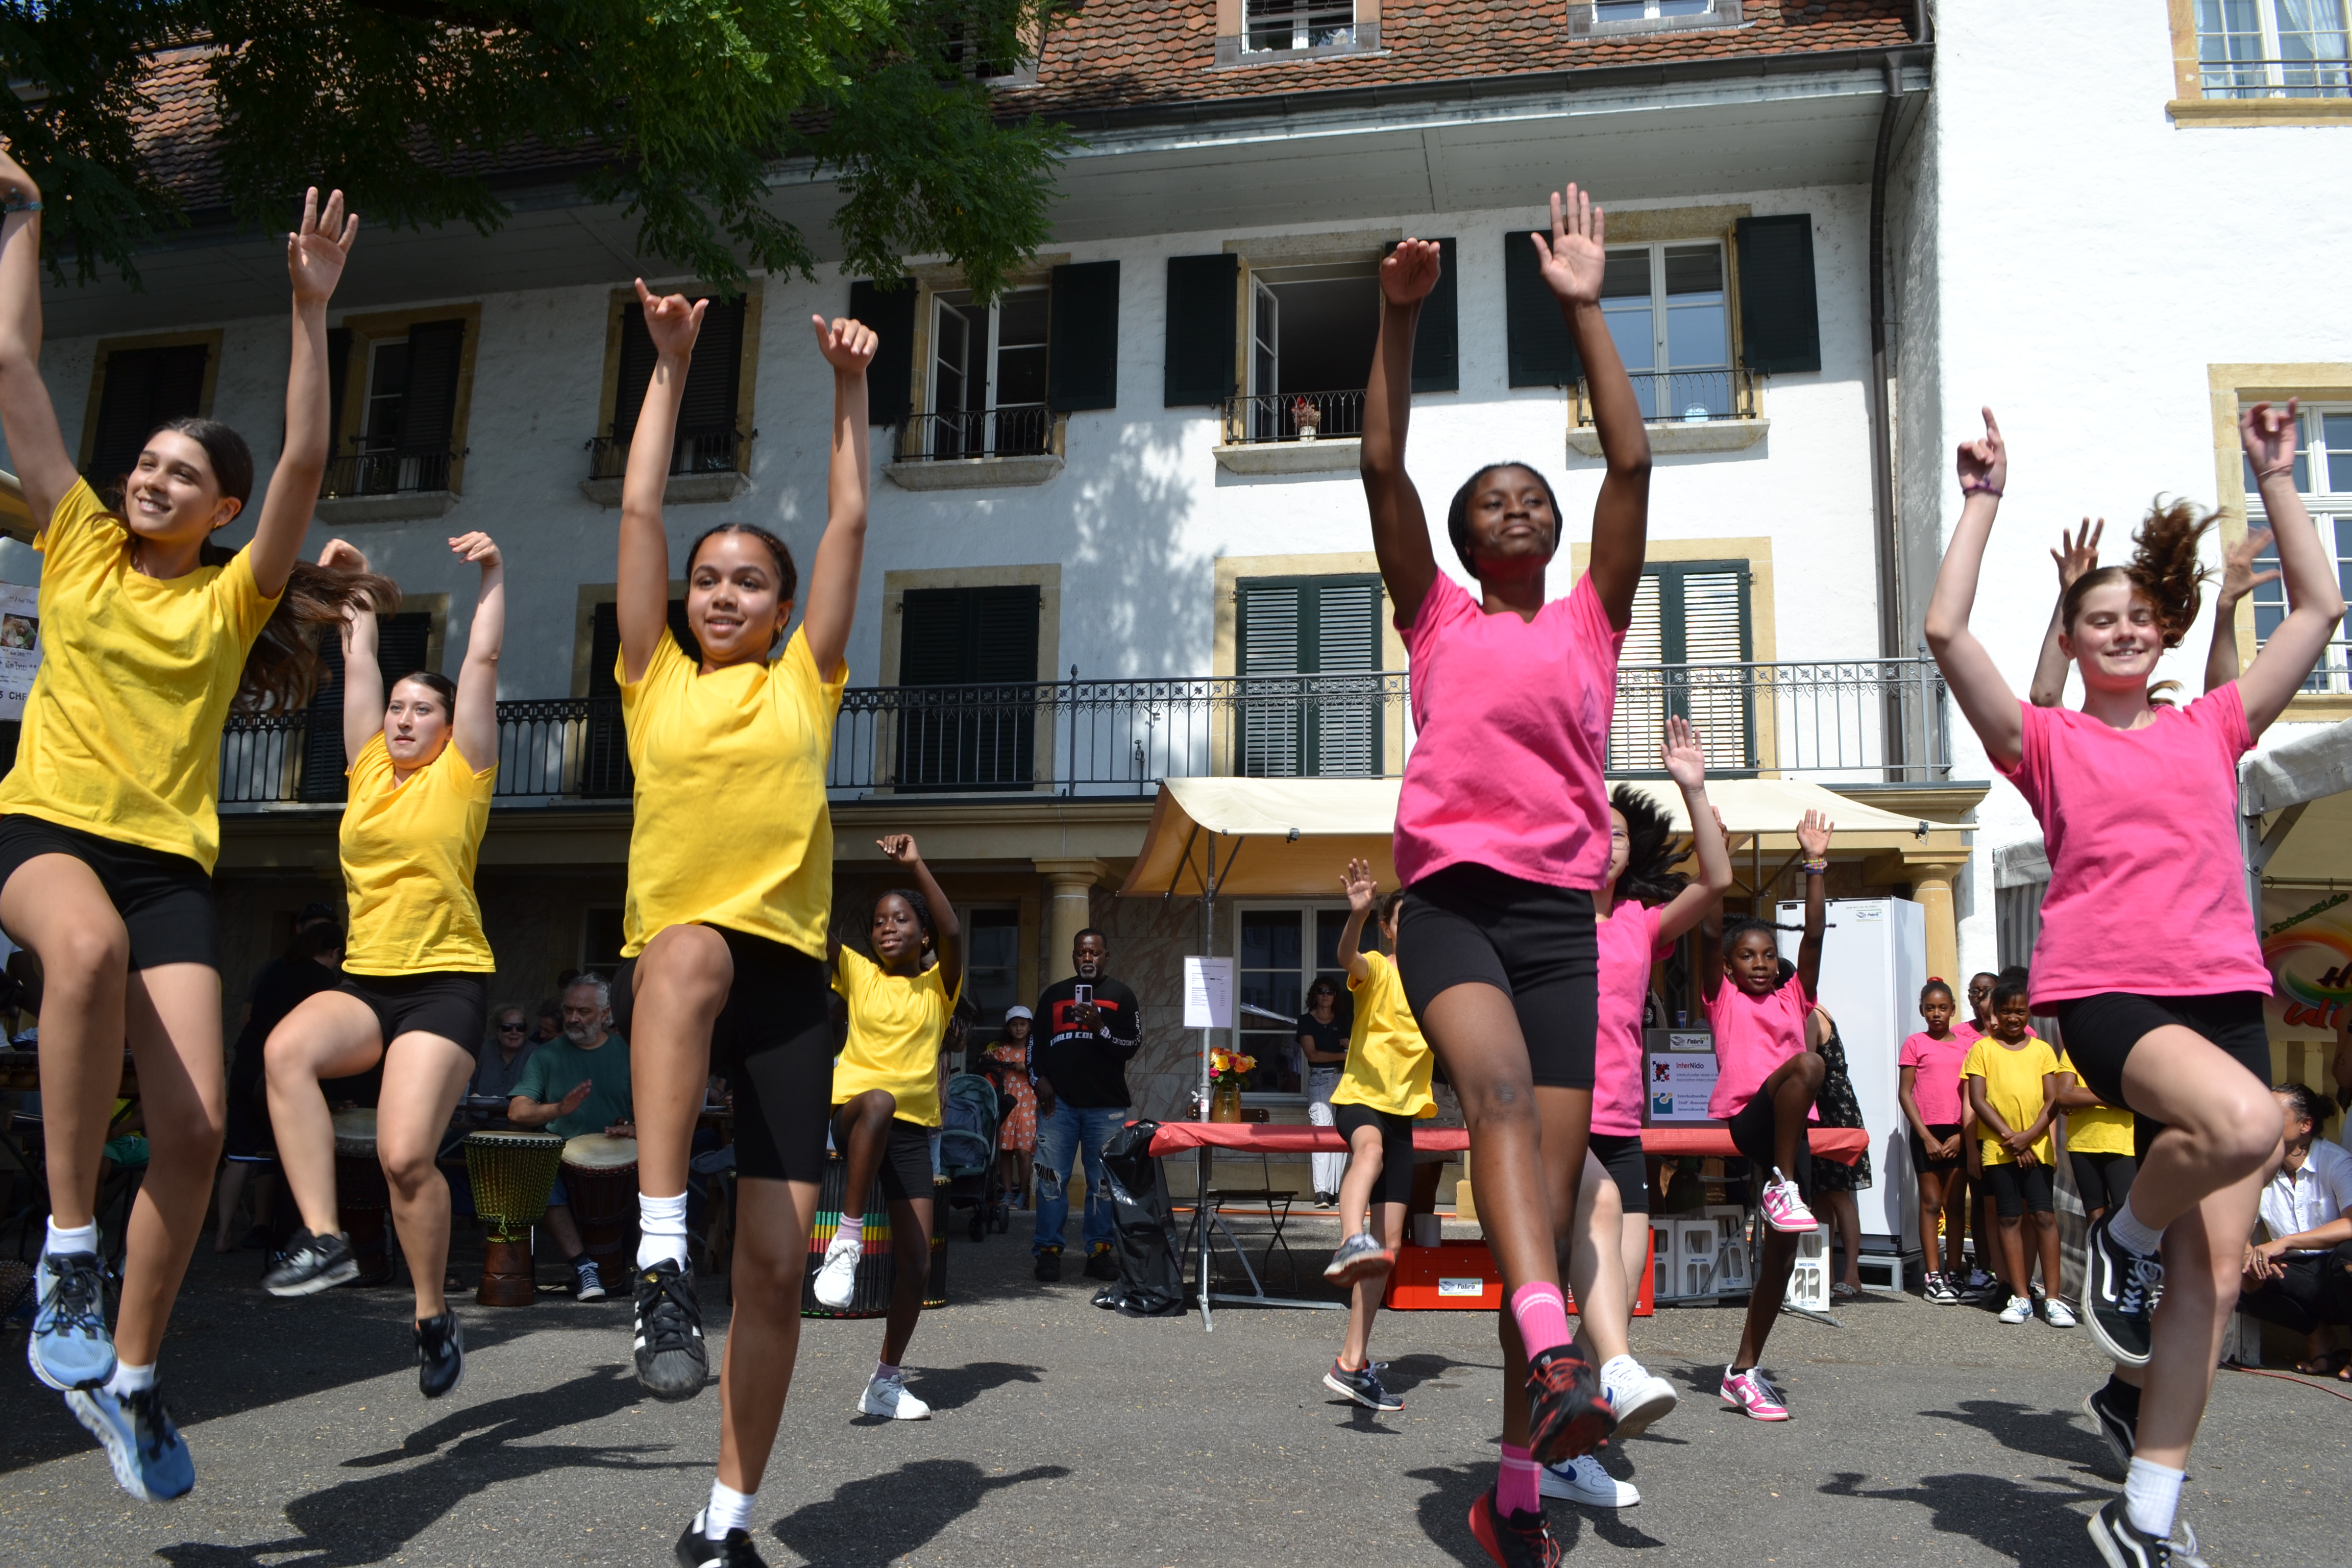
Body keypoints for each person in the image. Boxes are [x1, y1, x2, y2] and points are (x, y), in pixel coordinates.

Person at [0, 148, 374, 1502]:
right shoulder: (76, 540)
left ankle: (137, 1376)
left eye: (184, 474)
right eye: (145, 462)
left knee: (202, 1130)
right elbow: (13, 364)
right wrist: (24, 217)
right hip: (44, 831)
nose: (153, 479)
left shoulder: (230, 597)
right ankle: (68, 1254)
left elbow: (308, 457)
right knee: (83, 954)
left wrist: (310, 309)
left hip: (167, 866)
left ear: (223, 511)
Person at [1922, 402, 2339, 1565]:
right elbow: (1945, 629)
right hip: (2111, 997)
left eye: (2136, 616)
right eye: (2095, 616)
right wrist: (1982, 500)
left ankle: (2142, 1514)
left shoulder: (2212, 723)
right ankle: (2125, 1231)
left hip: (2223, 997)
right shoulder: (2046, 742)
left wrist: (2275, 477)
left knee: (2218, 1276)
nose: (2118, 629)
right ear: (2073, 632)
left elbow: (2319, 608)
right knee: (2248, 1123)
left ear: (2162, 633)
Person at [1361, 182, 1647, 1567]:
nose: (1520, 506)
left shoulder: (1593, 619)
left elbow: (1631, 464)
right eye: (1495, 500)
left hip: (1555, 922)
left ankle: (1517, 1487)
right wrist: (1397, 322)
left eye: (1536, 495)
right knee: (1493, 1104)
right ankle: (1554, 1344)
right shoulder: (1435, 616)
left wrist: (1585, 307)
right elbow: (1380, 468)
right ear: (1470, 540)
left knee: (1541, 1183)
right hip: (1449, 908)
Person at [598, 288, 873, 1565]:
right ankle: (659, 1259)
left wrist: (849, 388)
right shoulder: (649, 679)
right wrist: (670, 367)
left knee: (772, 1269)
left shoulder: (805, 684)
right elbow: (638, 510)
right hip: (682, 966)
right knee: (691, 945)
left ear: (779, 607)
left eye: (747, 581)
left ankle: (727, 1512)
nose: (720, 593)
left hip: (786, 992)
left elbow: (850, 520)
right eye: (707, 579)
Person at [258, 530, 505, 1400]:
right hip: (367, 981)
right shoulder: (366, 769)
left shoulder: (465, 771)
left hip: (444, 983)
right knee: (285, 1051)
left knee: (405, 1159)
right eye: (397, 707)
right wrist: (351, 586)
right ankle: (325, 1237)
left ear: (448, 725)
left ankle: (433, 1315)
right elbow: (356, 653)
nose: (402, 718)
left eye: (421, 709)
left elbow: (482, 659)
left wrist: (493, 573)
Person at [1541, 718, 1731, 1508]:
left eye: (1618, 832)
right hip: (1560, 1119)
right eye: (1594, 829)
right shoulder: (1547, 919)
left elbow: (1716, 881)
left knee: (1614, 1304)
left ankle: (1568, 1448)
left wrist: (1693, 787)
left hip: (1623, 1124)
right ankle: (1572, 1424)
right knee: (1585, 1291)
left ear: (1632, 850)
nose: (1607, 841)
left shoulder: (1639, 925)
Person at [810, 836, 962, 1421]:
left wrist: (916, 865)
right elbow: (813, 930)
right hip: (856, 1116)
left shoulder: (938, 986)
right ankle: (845, 1241)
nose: (886, 928)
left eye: (900, 920)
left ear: (921, 935)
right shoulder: (857, 972)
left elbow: (953, 932)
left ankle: (886, 1381)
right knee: (878, 1100)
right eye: (878, 922)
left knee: (917, 1265)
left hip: (912, 1133)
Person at [1699, 812, 1832, 1423]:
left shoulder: (1792, 995)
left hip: (1790, 1130)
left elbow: (1814, 938)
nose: (1760, 963)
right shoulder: (1721, 994)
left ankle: (1743, 1371)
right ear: (1729, 967)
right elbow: (1709, 931)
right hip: (1748, 1119)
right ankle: (1781, 1185)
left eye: (1768, 955)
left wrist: (1815, 864)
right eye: (1747, 956)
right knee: (1807, 1064)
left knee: (1782, 1256)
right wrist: (1716, 859)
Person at [1317, 866, 1427, 1417]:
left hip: (1405, 1115)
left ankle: (1352, 1364)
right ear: (1389, 928)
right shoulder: (1379, 968)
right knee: (1370, 1151)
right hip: (1360, 1100)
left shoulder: (1438, 988)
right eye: (1405, 919)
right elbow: (1347, 958)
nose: (1416, 927)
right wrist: (1357, 914)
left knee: (1390, 1252)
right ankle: (1348, 1240)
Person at [215, 911, 344, 1253]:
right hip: (281, 1070)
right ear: (334, 953)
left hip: (247, 1062)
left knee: (240, 1155)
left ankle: (222, 1234)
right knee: (287, 1151)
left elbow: (248, 1017)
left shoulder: (273, 968)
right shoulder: (323, 980)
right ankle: (285, 1236)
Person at [505, 975, 634, 1299]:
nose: (573, 1018)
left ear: (606, 1015)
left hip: (620, 1160)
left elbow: (660, 1107)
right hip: (560, 1158)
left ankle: (648, 1267)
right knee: (541, 1177)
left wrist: (636, 1129)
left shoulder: (629, 1053)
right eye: (568, 1010)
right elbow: (517, 1112)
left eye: (584, 1011)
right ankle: (583, 1266)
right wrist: (559, 1109)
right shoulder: (546, 1056)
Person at [1030, 929, 1142, 1282]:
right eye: (1081, 953)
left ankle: (1099, 1251)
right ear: (1074, 956)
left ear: (1106, 956)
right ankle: (1048, 1252)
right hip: (1058, 1107)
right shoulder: (1054, 995)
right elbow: (1034, 1045)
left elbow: (1132, 1045)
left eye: (1094, 953)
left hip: (1106, 1108)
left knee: (1103, 1185)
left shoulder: (1121, 995)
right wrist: (1037, 1079)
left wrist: (1099, 1026)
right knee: (1050, 1180)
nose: (1088, 959)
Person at [1961, 976, 2070, 1327]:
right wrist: (2013, 1138)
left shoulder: (2043, 1051)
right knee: (2008, 1218)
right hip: (2000, 1149)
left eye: (2020, 1012)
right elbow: (1978, 1099)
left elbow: (2053, 1099)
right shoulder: (1982, 1050)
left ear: (2029, 1013)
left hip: (2038, 1149)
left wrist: (2031, 1137)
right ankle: (2020, 1296)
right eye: (2006, 1011)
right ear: (1995, 1013)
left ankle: (2052, 1299)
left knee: (2044, 1217)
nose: (2012, 1018)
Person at [2239, 1084, 2352, 1378]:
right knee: (2233, 1270)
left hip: (2338, 1278)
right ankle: (2318, 1338)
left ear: (2305, 1125)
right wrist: (2250, 1256)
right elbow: (2239, 1234)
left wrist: (2286, 1242)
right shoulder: (2257, 1169)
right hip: (2297, 1276)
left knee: (2348, 1255)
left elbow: (2351, 1224)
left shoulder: (2336, 1162)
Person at [1899, 979, 1974, 1304]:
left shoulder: (1968, 1047)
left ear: (1953, 1010)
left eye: (1943, 1008)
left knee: (1954, 1204)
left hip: (1959, 1133)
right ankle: (1933, 1276)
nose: (1937, 1014)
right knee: (1931, 1203)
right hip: (1926, 1133)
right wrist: (1926, 1137)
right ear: (1922, 1011)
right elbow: (1905, 1094)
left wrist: (1963, 1137)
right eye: (1930, 1008)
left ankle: (1954, 1272)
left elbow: (1975, 1095)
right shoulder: (1915, 1043)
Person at [1808, 999, 1873, 1302]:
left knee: (1838, 1192)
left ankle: (1852, 1275)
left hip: (1831, 1107)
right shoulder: (1816, 1012)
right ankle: (1828, 1272)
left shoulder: (1811, 1015)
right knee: (1821, 1193)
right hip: (1824, 1105)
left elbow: (1805, 1061)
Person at [1298, 977, 1348, 1206]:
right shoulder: (1306, 1021)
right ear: (1314, 995)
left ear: (1335, 996)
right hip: (1320, 1079)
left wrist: (1351, 1044)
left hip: (1344, 1079)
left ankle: (1334, 1191)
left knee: (1343, 1133)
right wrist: (1343, 1055)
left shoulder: (1344, 1020)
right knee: (1321, 1133)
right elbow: (1313, 1055)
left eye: (1330, 991)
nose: (1326, 995)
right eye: (1321, 991)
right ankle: (1321, 1191)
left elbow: (1361, 1045)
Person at [983, 1008, 1038, 1206]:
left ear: (1030, 1027)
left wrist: (1028, 1068)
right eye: (1014, 1025)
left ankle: (1023, 1194)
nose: (1019, 1028)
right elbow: (992, 1077)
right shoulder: (1002, 1051)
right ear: (1008, 1028)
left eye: (1023, 1024)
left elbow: (1046, 1073)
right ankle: (1007, 1193)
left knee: (1023, 1152)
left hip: (1028, 1108)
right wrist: (990, 1060)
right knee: (1005, 1151)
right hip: (1006, 1106)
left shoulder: (1035, 1051)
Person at [474, 1003, 542, 1104]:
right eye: (507, 1028)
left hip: (518, 1114)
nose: (514, 1032)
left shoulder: (535, 1052)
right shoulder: (485, 1049)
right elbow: (470, 1086)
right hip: (481, 1112)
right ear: (498, 1030)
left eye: (520, 1028)